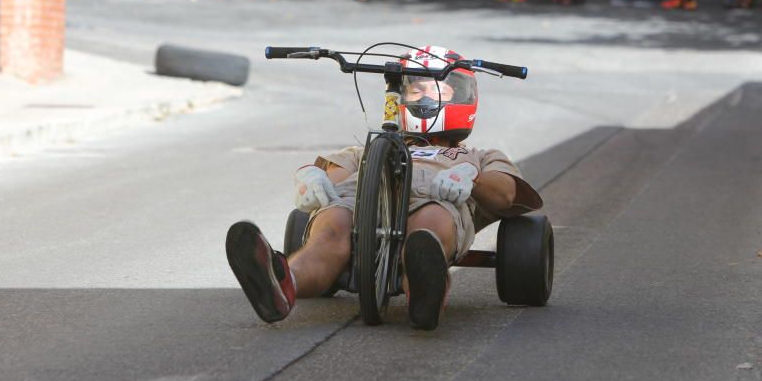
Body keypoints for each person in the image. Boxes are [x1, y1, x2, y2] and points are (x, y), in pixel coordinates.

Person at [224, 46, 544, 331]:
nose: (426, 96)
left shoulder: (477, 156)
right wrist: (310, 178)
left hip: (437, 197)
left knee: (428, 225)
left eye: (438, 90)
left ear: (462, 97)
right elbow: (334, 176)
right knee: (332, 224)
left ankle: (423, 287)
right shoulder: (367, 152)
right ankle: (281, 283)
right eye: (416, 90)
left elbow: (507, 195)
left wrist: (470, 177)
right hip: (362, 198)